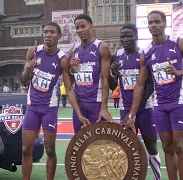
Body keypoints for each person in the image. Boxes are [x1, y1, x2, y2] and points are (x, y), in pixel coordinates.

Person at [123, 11, 183, 180]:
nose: (153, 25)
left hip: (178, 101)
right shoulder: (147, 53)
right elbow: (140, 85)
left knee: (179, 146)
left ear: (164, 24)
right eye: (150, 23)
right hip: (160, 104)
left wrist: (178, 72)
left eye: (157, 22)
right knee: (166, 146)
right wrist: (132, 114)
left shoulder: (179, 43)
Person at [20, 22, 90, 180]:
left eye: (52, 32)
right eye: (45, 32)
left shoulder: (62, 59)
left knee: (50, 150)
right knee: (25, 149)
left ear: (59, 36)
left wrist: (78, 113)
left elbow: (69, 88)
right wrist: (27, 68)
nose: (48, 35)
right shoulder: (33, 52)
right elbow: (24, 81)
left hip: (49, 108)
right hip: (32, 107)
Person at [109, 24, 161, 180]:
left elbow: (151, 85)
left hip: (145, 108)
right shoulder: (117, 56)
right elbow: (113, 86)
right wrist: (114, 73)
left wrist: (136, 108)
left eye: (128, 36)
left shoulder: (145, 54)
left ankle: (157, 177)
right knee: (127, 148)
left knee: (151, 146)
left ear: (136, 37)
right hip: (125, 109)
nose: (125, 39)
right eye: (122, 36)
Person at [68, 14, 114, 133]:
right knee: (80, 142)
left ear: (91, 26)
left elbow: (105, 79)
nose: (80, 30)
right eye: (77, 28)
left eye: (83, 26)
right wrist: (72, 69)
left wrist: (104, 107)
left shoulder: (101, 47)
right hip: (80, 104)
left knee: (99, 143)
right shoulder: (73, 50)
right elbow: (69, 82)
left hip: (96, 103)